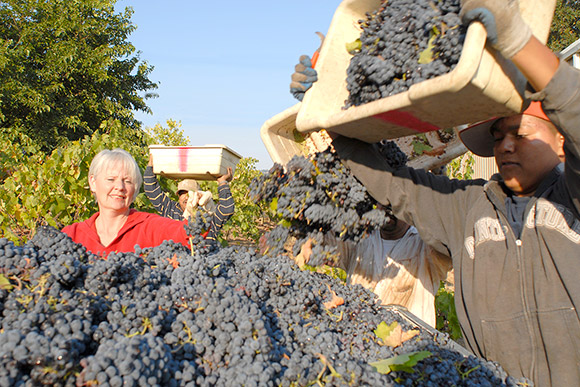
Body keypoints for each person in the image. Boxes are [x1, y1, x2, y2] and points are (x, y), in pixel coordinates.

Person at [293, 1, 579, 384]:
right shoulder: (467, 208)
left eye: (520, 133)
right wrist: (328, 95)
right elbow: (392, 182)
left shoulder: (571, 198)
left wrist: (517, 40)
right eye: (497, 136)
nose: (505, 146)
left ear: (562, 143)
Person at [300, 203, 451, 327]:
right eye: (383, 203)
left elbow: (448, 241)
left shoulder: (425, 246)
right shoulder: (360, 239)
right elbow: (322, 242)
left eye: (394, 205)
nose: (388, 210)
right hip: (358, 340)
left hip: (411, 350)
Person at [62, 148, 192, 256]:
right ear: (93, 182)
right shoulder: (71, 236)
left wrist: (199, 215)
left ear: (134, 189)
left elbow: (186, 236)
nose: (120, 186)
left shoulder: (150, 227)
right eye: (111, 179)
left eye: (128, 181)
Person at [143, 155, 235, 244]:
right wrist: (150, 166)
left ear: (199, 195)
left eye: (190, 193)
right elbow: (152, 191)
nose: (186, 197)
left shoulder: (207, 214)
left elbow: (227, 210)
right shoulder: (170, 209)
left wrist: (223, 183)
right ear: (178, 196)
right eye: (182, 193)